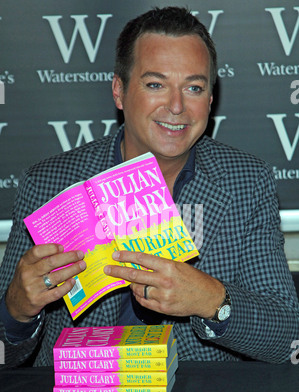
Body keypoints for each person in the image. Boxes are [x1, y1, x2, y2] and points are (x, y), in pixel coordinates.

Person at [0, 7, 298, 368]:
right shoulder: (49, 184)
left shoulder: (247, 182)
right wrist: (16, 312)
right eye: (155, 84)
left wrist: (211, 300)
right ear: (119, 92)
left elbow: (285, 337)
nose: (176, 106)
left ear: (210, 99)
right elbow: (8, 358)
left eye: (194, 87)